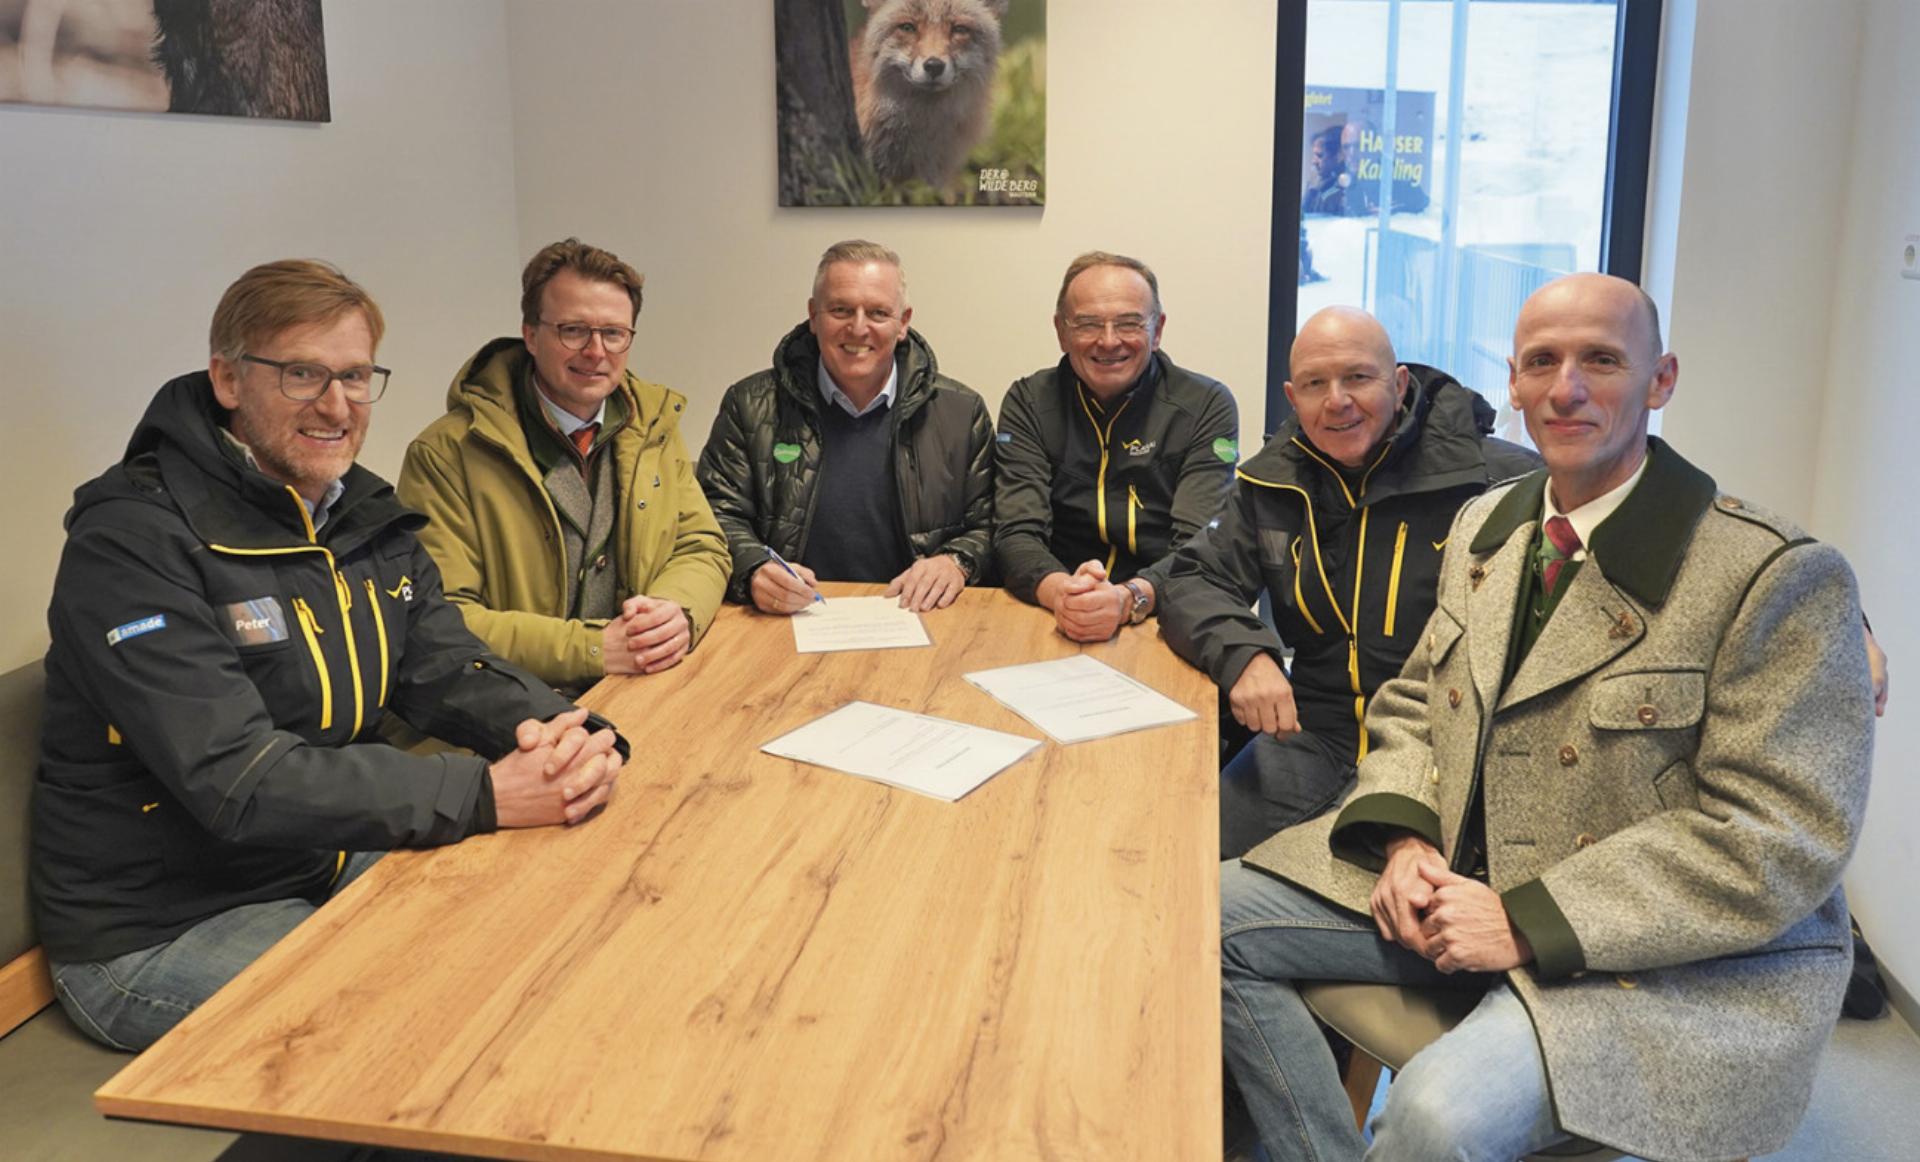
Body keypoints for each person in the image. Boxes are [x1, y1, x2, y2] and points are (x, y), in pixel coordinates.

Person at [1217, 273, 1874, 1161]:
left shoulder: (1775, 576)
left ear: (1661, 379)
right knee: (1200, 922)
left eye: (1600, 359)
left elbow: (1779, 837)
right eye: (1542, 363)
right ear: (1515, 386)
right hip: (1455, 889)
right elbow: (1416, 702)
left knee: (1434, 1119)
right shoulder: (1491, 528)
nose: (1566, 388)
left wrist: (1528, 920)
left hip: (1645, 955)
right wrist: (1407, 841)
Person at [32, 260, 625, 1051]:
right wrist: (481, 793)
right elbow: (237, 777)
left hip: (316, 858)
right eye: (304, 374)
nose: (337, 405)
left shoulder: (360, 513)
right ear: (228, 379)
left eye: (354, 376)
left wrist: (568, 734)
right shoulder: (131, 541)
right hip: (162, 926)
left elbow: (445, 666)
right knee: (460, 1024)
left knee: (568, 928)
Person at [1160, 306, 1537, 858]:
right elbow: (1192, 577)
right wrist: (1243, 654)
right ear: (1293, 398)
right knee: (1184, 861)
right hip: (1312, 734)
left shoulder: (1500, 483)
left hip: (1440, 751)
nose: (1337, 400)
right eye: (1315, 384)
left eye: (1358, 378)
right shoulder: (1272, 482)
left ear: (1399, 382)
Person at [398, 238, 728, 696]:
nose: (596, 352)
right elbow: (442, 618)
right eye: (573, 330)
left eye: (614, 334)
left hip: (639, 688)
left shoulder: (653, 426)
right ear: (530, 335)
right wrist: (593, 649)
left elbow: (701, 544)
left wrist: (675, 611)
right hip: (506, 708)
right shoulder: (446, 454)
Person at [696, 239, 994, 614]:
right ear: (813, 315)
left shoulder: (961, 413)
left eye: (878, 313)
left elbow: (991, 523)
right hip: (787, 619)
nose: (858, 328)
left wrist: (956, 560)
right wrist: (753, 566)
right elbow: (714, 513)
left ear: (903, 323)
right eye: (840, 310)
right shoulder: (749, 405)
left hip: (920, 617)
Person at [994, 252, 1238, 642]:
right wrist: (1064, 595)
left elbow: (1199, 542)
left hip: (1165, 611)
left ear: (1157, 330)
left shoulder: (1206, 404)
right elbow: (1016, 532)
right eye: (1088, 324)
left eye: (1129, 324)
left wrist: (1128, 599)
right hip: (1054, 610)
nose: (1109, 341)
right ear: (1061, 331)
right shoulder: (1029, 401)